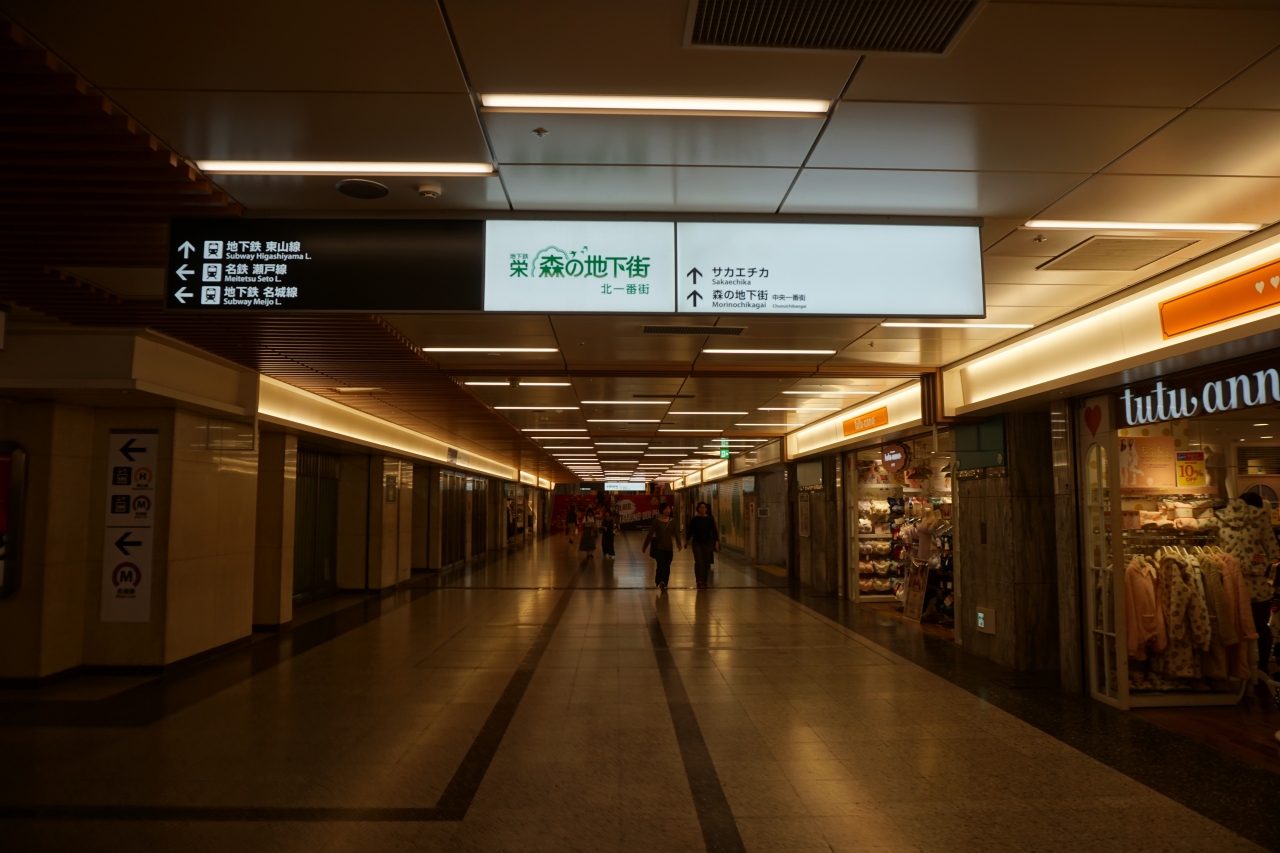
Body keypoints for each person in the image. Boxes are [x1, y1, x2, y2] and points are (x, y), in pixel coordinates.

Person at [1219, 491, 1280, 672]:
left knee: (1242, 628)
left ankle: (1247, 667)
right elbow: (1274, 553)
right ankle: (1256, 667)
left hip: (1240, 586)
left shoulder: (1228, 523)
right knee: (1257, 628)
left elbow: (1274, 554)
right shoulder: (1258, 523)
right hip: (1252, 587)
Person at [642, 503, 682, 590]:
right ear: (661, 510)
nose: (668, 510)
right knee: (661, 564)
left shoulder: (672, 521)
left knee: (667, 565)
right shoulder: (656, 521)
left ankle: (664, 582)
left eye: (669, 508)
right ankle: (661, 581)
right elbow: (650, 534)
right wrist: (645, 546)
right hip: (659, 547)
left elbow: (676, 533)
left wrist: (679, 543)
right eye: (665, 509)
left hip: (669, 547)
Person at [685, 501, 720, 589]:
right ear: (698, 509)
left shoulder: (710, 519)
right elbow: (690, 531)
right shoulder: (695, 519)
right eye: (701, 507)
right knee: (698, 562)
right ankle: (699, 580)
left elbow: (714, 531)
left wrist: (717, 542)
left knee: (706, 563)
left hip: (707, 543)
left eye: (704, 507)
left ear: (706, 509)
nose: (702, 509)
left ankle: (704, 580)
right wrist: (687, 541)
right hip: (696, 543)